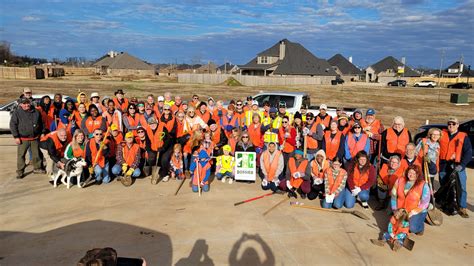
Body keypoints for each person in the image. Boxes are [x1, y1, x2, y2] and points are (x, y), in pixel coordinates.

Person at [438, 117, 472, 218]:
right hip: (444, 164)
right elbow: (431, 137)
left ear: (458, 125)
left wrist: (462, 165)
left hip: (458, 165)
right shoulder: (441, 134)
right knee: (444, 185)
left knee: (461, 186)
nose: (451, 126)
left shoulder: (463, 136)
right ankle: (444, 203)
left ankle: (462, 207)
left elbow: (468, 153)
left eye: (454, 124)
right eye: (449, 124)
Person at [10, 97, 45, 178]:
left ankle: (37, 168)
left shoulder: (36, 111)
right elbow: (13, 125)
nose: (26, 105)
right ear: (21, 105)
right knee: (21, 155)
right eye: (24, 104)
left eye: (27, 103)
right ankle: (20, 171)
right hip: (23, 139)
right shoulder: (17, 113)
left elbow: (41, 123)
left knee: (36, 154)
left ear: (30, 103)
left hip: (35, 138)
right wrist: (16, 137)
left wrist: (42, 132)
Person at [391, 165, 430, 235]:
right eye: (410, 172)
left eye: (414, 173)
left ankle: (420, 227)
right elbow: (393, 196)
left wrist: (412, 213)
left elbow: (425, 203)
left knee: (412, 228)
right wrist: (395, 210)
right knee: (393, 225)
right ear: (407, 172)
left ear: (418, 175)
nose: (411, 175)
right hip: (402, 210)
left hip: (417, 211)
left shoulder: (424, 185)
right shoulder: (399, 180)